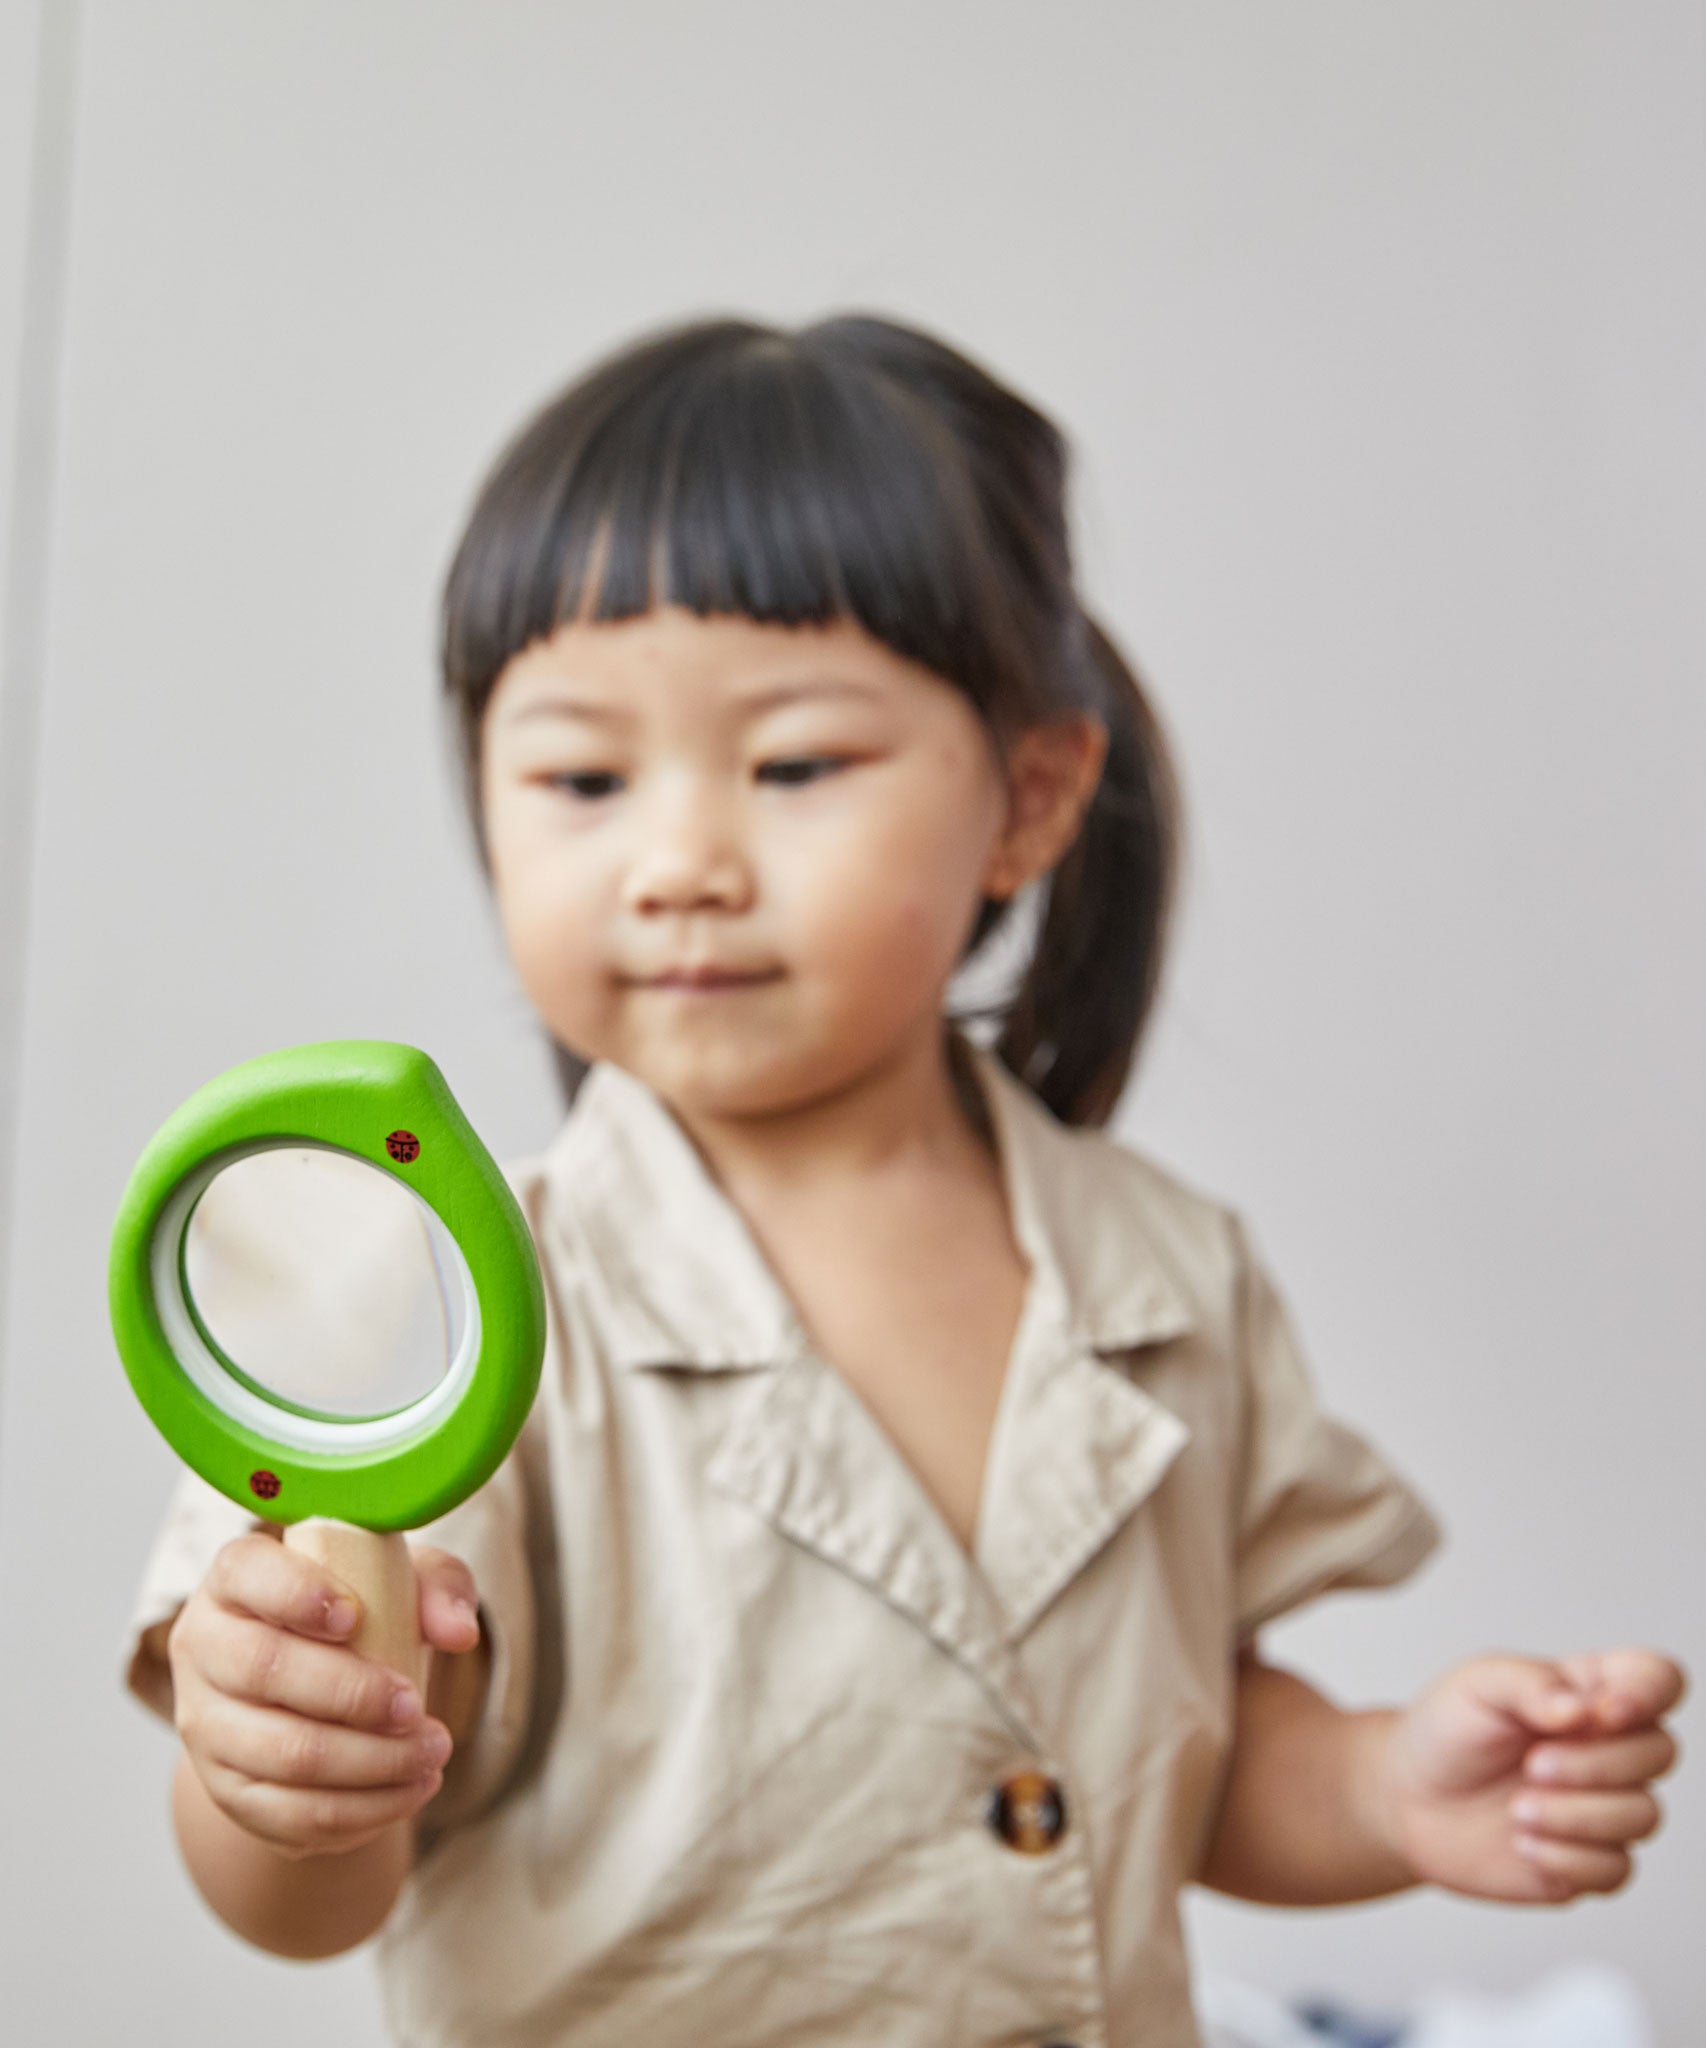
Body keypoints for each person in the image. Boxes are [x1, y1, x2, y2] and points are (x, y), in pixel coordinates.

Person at [122, 313, 1686, 2048]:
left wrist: (1393, 1789)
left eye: (794, 766)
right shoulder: (440, 1306)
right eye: (579, 776)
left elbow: (1193, 1755)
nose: (679, 864)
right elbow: (310, 1892)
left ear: (1026, 800)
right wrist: (271, 1779)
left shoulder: (1171, 1278)